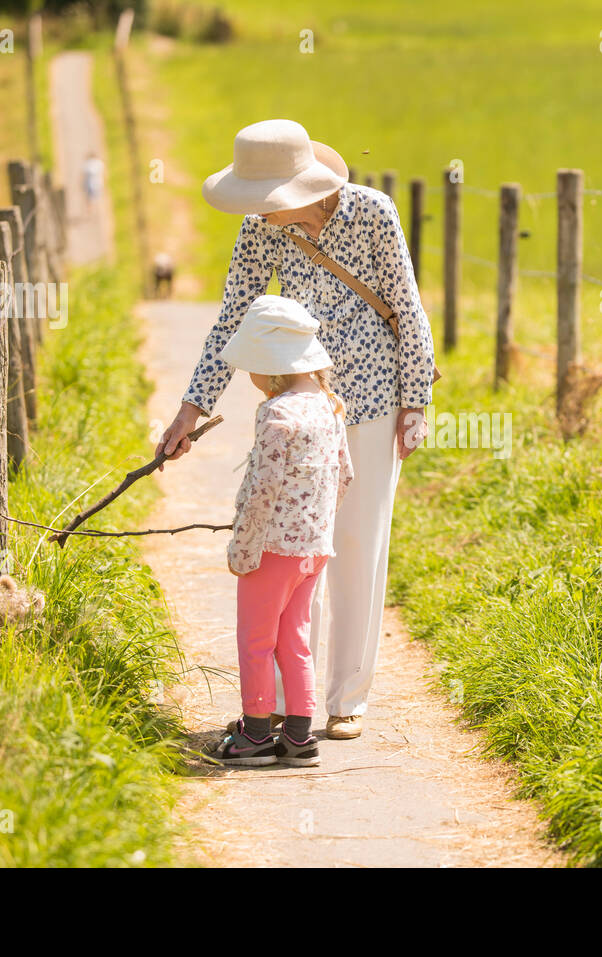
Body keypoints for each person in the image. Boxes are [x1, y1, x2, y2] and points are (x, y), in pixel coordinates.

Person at [157, 119, 435, 741]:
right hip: (302, 402)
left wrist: (416, 402)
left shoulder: (373, 214)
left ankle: (348, 699)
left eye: (266, 198)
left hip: (371, 397)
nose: (258, 211)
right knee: (294, 549)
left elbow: (407, 304)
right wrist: (188, 411)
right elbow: (232, 318)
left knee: (358, 547)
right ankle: (289, 702)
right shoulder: (259, 230)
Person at [211, 295, 353, 767]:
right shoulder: (331, 407)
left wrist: (243, 546)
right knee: (295, 635)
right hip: (314, 549)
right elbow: (344, 475)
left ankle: (254, 735)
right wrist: (317, 522)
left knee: (256, 637)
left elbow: (262, 491)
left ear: (271, 369)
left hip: (271, 549)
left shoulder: (278, 415)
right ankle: (298, 735)